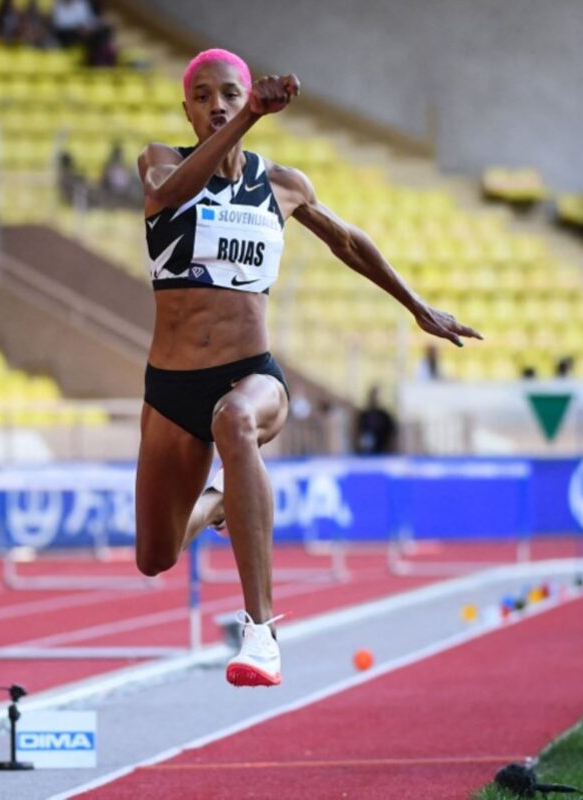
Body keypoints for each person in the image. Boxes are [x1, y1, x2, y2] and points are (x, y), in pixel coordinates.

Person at [134, 49, 480, 688]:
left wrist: (417, 306)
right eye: (204, 96)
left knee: (235, 421)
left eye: (231, 94)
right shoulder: (162, 163)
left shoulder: (282, 184)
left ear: (246, 98)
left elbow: (347, 240)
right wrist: (249, 121)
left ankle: (260, 632)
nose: (218, 105)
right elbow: (168, 198)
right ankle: (221, 503)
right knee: (153, 557)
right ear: (186, 109)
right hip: (170, 387)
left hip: (251, 374)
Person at [353, 385, 396, 455]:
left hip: (383, 452)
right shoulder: (364, 415)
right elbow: (357, 432)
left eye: (376, 395)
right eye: (372, 395)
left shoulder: (385, 415)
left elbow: (392, 435)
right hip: (365, 452)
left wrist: (390, 450)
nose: (374, 398)